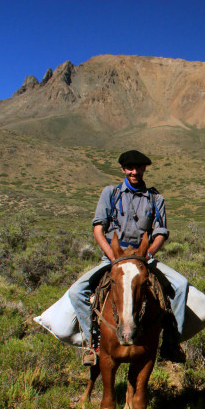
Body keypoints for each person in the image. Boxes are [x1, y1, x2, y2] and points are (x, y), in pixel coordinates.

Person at [70, 150, 188, 366]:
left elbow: (161, 232)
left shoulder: (156, 198)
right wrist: (112, 256)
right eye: (130, 168)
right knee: (77, 292)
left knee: (181, 286)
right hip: (114, 257)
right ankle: (91, 344)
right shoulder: (110, 193)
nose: (135, 171)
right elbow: (99, 228)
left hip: (143, 257)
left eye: (139, 167)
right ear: (124, 169)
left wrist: (149, 254)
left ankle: (172, 343)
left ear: (144, 169)